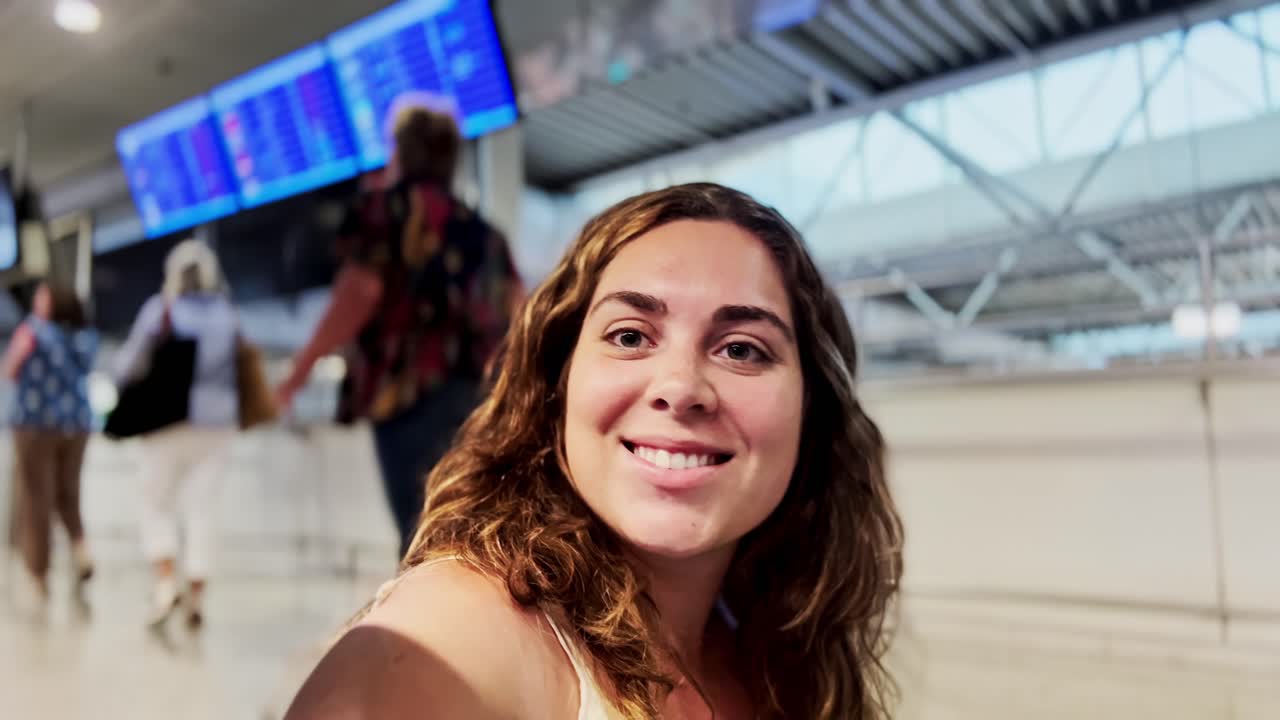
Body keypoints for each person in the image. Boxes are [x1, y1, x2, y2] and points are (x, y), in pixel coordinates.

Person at [285, 183, 904, 719]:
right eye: (630, 336)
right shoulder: (462, 632)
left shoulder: (769, 647)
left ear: (811, 412)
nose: (681, 388)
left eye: (742, 349)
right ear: (556, 387)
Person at [274, 101, 522, 559]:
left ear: (400, 152)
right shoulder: (484, 232)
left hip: (408, 390)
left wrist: (298, 372)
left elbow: (359, 294)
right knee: (466, 526)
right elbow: (518, 309)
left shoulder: (383, 210)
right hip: (481, 394)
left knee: (421, 529)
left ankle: (426, 626)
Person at [114, 239, 239, 629]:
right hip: (217, 427)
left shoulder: (161, 310)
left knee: (155, 502)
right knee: (203, 509)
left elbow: (128, 366)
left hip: (165, 423)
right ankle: (197, 596)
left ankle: (166, 582)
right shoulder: (227, 314)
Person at [3, 283, 98, 604]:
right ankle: (81, 549)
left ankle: (39, 572)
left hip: (36, 424)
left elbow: (11, 369)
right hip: (78, 424)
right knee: (68, 493)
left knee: (36, 497)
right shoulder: (84, 336)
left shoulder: (33, 331)